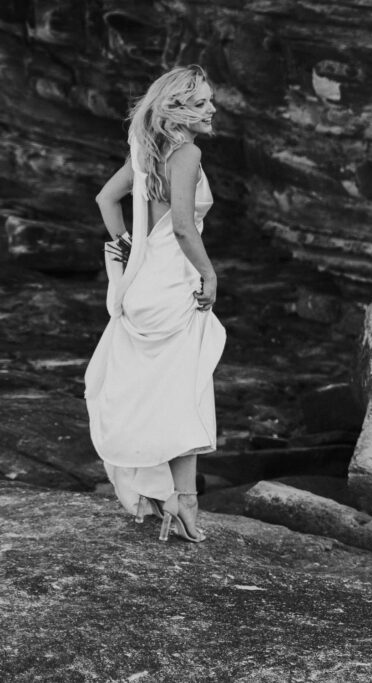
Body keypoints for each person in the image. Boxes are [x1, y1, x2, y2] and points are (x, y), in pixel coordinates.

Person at [85, 65, 225, 543]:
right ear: (177, 109)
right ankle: (183, 501)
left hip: (144, 285)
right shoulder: (186, 153)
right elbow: (184, 226)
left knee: (166, 393)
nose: (212, 109)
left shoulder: (145, 153)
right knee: (183, 392)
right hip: (173, 288)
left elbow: (106, 199)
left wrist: (127, 244)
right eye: (203, 102)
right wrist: (209, 273)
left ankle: (174, 498)